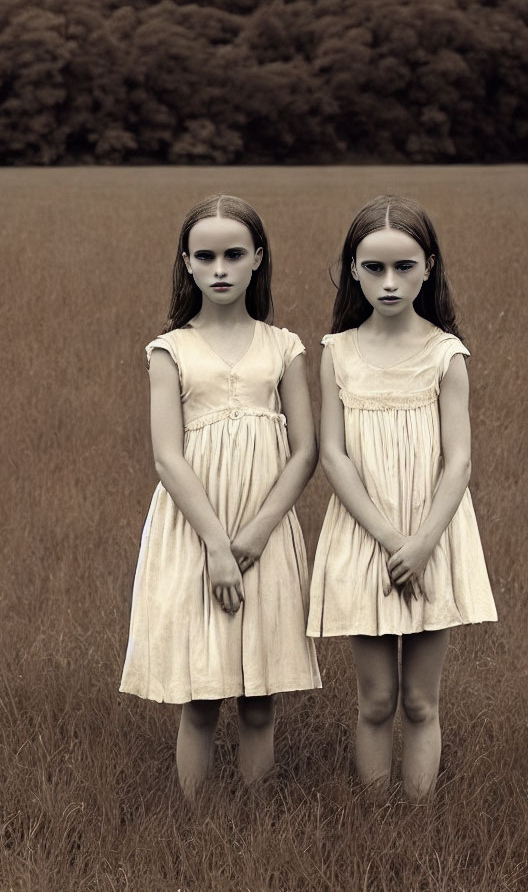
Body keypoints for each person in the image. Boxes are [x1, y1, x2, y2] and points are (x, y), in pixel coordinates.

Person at [120, 194, 320, 800]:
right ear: (187, 263)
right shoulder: (170, 350)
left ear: (257, 258)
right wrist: (216, 543)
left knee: (260, 699)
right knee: (201, 700)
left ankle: (255, 822)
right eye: (205, 257)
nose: (221, 268)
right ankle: (196, 827)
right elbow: (166, 456)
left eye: (234, 254)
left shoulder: (283, 346)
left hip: (265, 529)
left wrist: (256, 532)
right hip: (195, 531)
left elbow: (305, 450)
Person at [308, 195, 497, 802]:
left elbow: (459, 460)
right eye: (373, 268)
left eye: (404, 267)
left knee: (419, 700)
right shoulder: (337, 351)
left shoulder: (446, 354)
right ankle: (372, 816)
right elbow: (333, 455)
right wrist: (392, 542)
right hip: (367, 536)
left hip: (432, 535)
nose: (389, 282)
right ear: (353, 270)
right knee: (376, 700)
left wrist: (421, 544)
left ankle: (418, 821)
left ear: (429, 266)